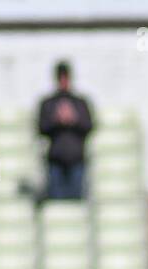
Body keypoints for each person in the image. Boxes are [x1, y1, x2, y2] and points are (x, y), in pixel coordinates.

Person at [37, 61, 94, 200]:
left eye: (65, 77)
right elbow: (41, 127)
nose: (63, 81)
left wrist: (73, 119)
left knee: (75, 202)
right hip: (55, 161)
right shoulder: (48, 103)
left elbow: (89, 126)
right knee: (56, 203)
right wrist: (56, 120)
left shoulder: (80, 102)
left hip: (76, 160)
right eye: (60, 77)